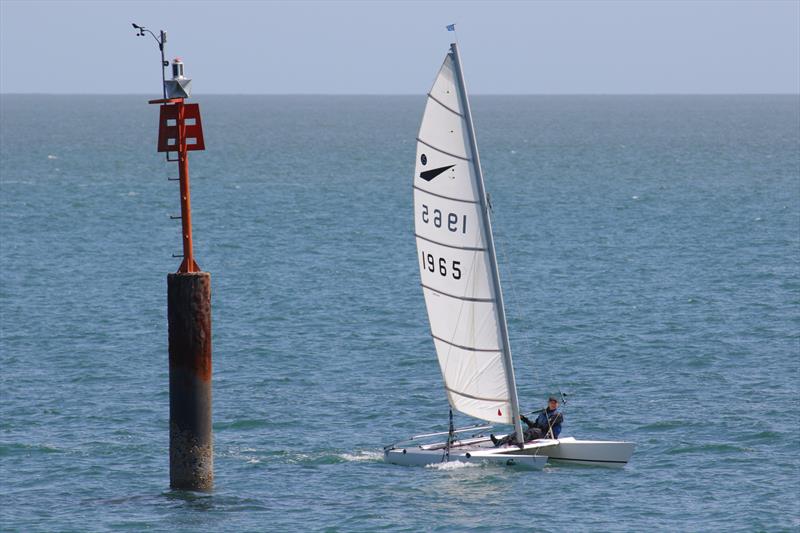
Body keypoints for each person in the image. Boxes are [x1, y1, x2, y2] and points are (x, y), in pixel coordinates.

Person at [490, 396, 564, 447]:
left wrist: (537, 426)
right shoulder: (543, 413)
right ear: (548, 403)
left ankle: (516, 442)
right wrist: (524, 419)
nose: (553, 404)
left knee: (532, 431)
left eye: (555, 403)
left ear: (558, 404)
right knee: (520, 432)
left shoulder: (558, 415)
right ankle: (500, 441)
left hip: (548, 435)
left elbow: (545, 427)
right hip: (539, 432)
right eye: (551, 403)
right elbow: (534, 425)